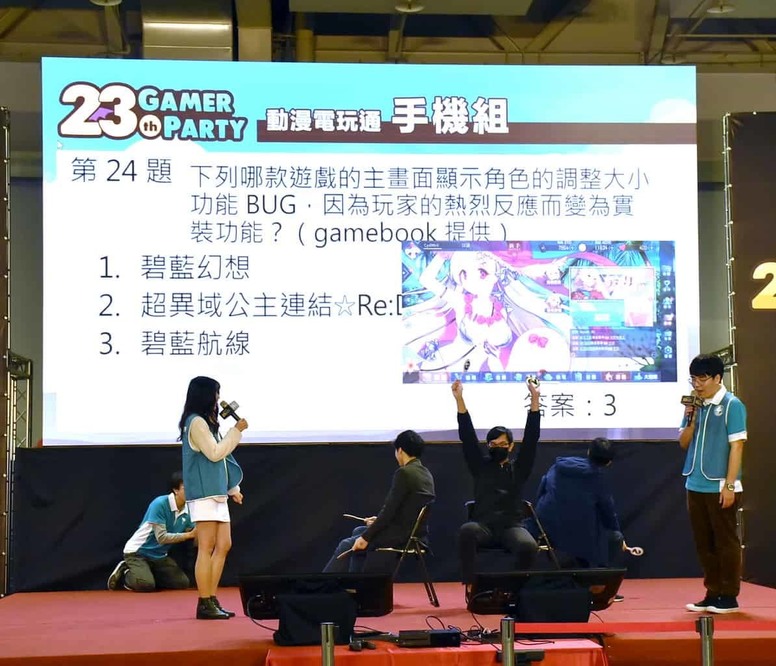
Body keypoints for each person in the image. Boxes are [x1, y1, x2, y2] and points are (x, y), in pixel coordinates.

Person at [452, 377, 541, 599]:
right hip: (483, 526)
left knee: (528, 545)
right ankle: (471, 586)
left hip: (512, 527)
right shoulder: (480, 466)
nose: (498, 447)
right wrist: (459, 400)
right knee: (467, 531)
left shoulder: (519, 468)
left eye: (503, 444)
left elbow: (531, 438)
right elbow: (467, 437)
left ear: (511, 446)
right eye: (493, 444)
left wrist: (535, 398)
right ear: (488, 446)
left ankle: (515, 590)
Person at [527, 438, 642, 601]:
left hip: (543, 527)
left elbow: (542, 489)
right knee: (614, 538)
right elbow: (608, 513)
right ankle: (600, 586)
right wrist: (619, 535)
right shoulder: (598, 479)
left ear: (588, 452)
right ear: (609, 462)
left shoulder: (558, 466)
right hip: (574, 535)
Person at [679, 353, 746, 614]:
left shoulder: (732, 405)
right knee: (703, 542)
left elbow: (737, 447)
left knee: (725, 541)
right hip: (694, 482)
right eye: (693, 379)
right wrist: (691, 419)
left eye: (702, 378)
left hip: (720, 485)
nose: (697, 384)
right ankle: (712, 592)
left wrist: (730, 485)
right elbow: (683, 443)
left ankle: (729, 596)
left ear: (718, 377)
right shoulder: (695, 405)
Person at [180, 376, 248, 620]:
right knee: (206, 547)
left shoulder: (207, 423)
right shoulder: (196, 422)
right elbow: (215, 453)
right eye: (216, 394)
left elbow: (222, 461)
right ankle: (204, 601)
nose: (219, 399)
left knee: (224, 545)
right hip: (204, 493)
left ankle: (211, 597)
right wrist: (236, 432)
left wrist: (232, 488)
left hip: (217, 492)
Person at [323, 430, 435, 573]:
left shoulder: (404, 473)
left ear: (400, 450)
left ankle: (322, 583)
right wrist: (376, 522)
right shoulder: (425, 473)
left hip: (402, 536)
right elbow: (405, 510)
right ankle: (356, 582)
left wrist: (366, 538)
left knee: (347, 544)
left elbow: (389, 510)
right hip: (415, 533)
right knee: (358, 531)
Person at [107, 471, 197, 592]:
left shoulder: (189, 509)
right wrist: (189, 535)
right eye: (186, 488)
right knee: (146, 585)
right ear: (175, 490)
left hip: (159, 556)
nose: (191, 491)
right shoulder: (160, 504)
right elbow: (162, 538)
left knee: (182, 583)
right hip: (138, 552)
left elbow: (194, 531)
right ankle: (126, 573)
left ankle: (146, 574)